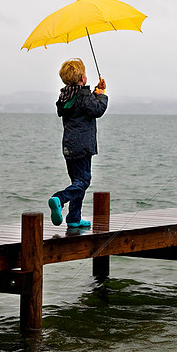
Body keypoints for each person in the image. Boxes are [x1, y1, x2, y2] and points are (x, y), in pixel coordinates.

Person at [48, 58, 108, 229]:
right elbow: (97, 110)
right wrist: (102, 94)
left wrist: (95, 93)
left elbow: (85, 106)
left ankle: (74, 218)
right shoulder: (82, 96)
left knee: (77, 181)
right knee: (83, 181)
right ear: (82, 78)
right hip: (82, 145)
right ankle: (60, 198)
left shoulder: (66, 96)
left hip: (69, 145)